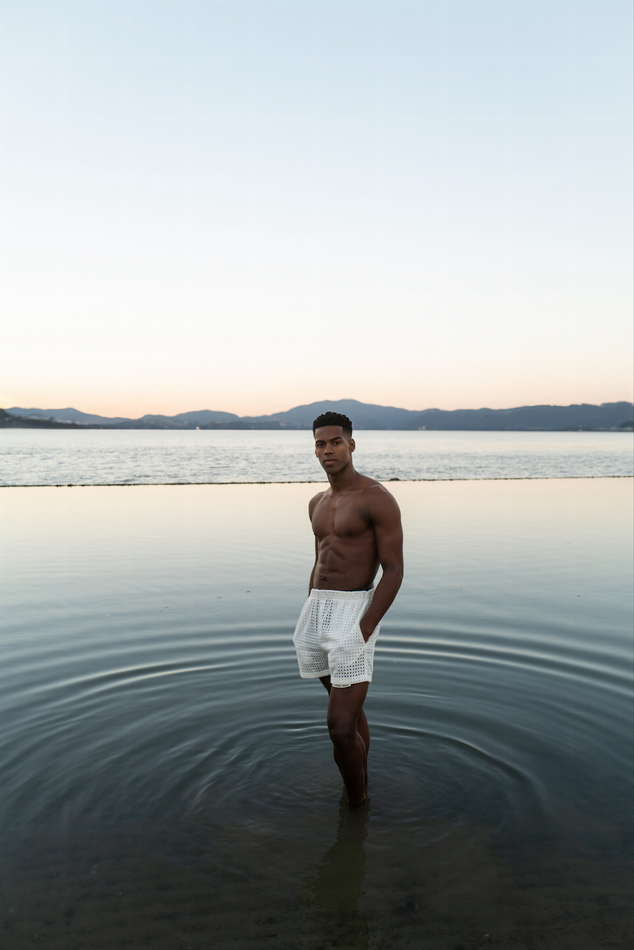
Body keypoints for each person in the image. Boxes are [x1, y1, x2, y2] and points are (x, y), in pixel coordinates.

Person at [292, 411, 404, 806]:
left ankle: (356, 807)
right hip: (317, 611)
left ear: (351, 444)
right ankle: (362, 780)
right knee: (350, 716)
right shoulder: (316, 503)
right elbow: (319, 560)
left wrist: (365, 626)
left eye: (335, 442)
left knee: (339, 726)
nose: (328, 450)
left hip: (355, 612)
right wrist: (309, 608)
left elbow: (394, 569)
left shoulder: (376, 498)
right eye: (320, 444)